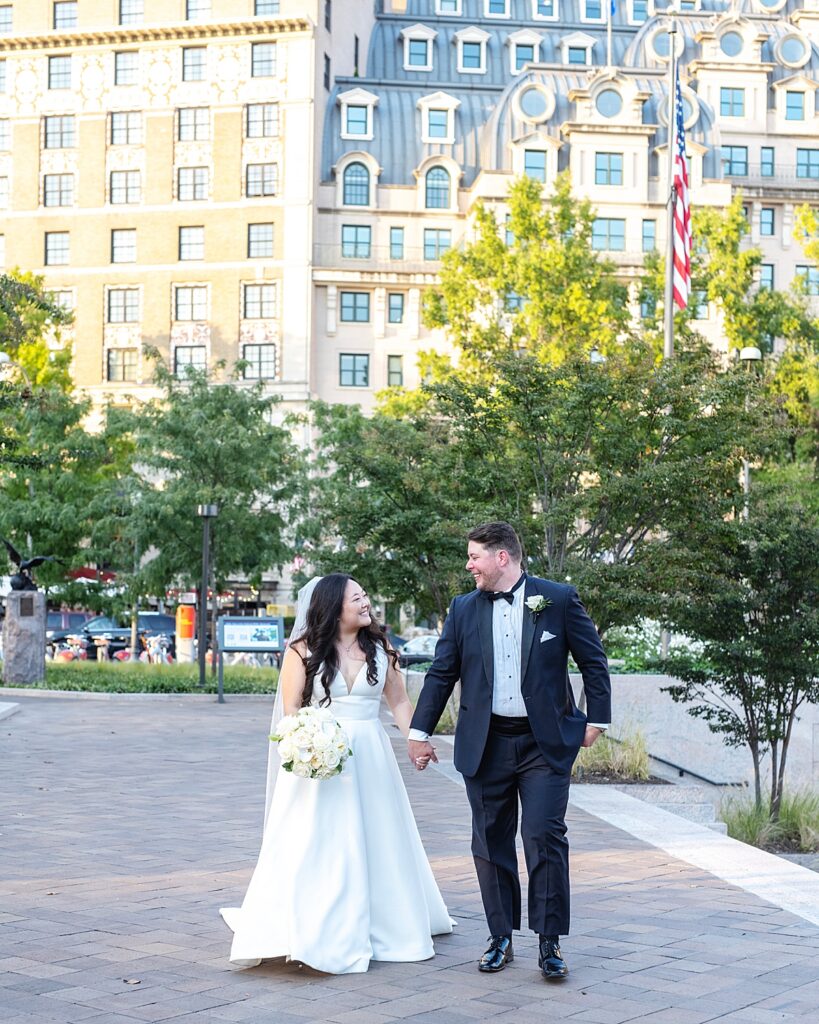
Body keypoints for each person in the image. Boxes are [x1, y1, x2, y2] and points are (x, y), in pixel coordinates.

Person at [221, 574, 453, 974]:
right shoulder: (301, 650)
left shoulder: (380, 648)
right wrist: (309, 745)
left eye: (365, 596)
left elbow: (398, 702)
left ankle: (384, 921)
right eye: (357, 598)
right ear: (333, 607)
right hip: (319, 756)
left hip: (371, 757)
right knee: (317, 840)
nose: (366, 603)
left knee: (377, 836)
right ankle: (311, 922)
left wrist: (417, 739)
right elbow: (291, 710)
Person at [408, 522, 611, 980]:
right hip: (486, 743)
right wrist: (420, 731)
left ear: (503, 557)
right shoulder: (462, 609)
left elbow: (593, 660)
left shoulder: (556, 599)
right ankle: (500, 937)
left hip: (545, 744)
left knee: (543, 836)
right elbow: (442, 675)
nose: (468, 565)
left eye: (474, 556)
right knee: (489, 842)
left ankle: (549, 941)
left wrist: (596, 720)